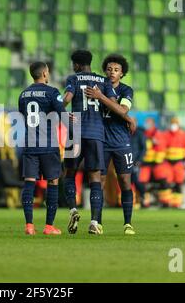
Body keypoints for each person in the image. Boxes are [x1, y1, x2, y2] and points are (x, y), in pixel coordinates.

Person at [62, 50, 117, 235]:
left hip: (75, 131)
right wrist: (100, 97)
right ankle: (94, 222)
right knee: (95, 178)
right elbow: (114, 105)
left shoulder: (73, 78)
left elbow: (67, 99)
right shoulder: (104, 81)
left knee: (69, 174)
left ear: (76, 65)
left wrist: (55, 110)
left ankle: (73, 210)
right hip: (95, 134)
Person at [85, 54, 137, 235]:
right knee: (99, 181)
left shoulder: (126, 90)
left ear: (122, 73)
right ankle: (97, 222)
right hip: (101, 140)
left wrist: (101, 97)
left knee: (124, 181)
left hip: (121, 141)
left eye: (116, 70)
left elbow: (122, 110)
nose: (112, 73)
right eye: (109, 69)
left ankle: (128, 223)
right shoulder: (97, 88)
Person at [18, 62, 68, 235]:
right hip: (48, 144)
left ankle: (29, 226)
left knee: (29, 183)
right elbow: (62, 114)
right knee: (53, 182)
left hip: (30, 144)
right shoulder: (52, 92)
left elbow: (23, 115)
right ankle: (49, 226)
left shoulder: (23, 94)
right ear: (45, 73)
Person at [139, 117, 171, 206]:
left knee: (163, 180)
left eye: (149, 123)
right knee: (142, 182)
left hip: (157, 163)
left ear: (153, 124)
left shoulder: (158, 135)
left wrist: (156, 161)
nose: (147, 125)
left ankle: (166, 202)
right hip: (145, 164)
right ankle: (145, 201)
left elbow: (161, 149)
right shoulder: (143, 134)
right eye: (146, 123)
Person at [163, 117, 185, 208]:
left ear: (178, 124)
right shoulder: (165, 135)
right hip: (167, 162)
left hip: (179, 163)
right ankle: (166, 202)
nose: (173, 125)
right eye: (172, 123)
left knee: (178, 182)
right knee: (166, 182)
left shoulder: (184, 135)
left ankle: (176, 203)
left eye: (175, 123)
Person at [130, 117, 147, 207]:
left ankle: (143, 197)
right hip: (127, 160)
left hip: (136, 161)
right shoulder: (127, 132)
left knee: (136, 180)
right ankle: (134, 201)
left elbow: (143, 148)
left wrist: (139, 160)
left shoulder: (140, 134)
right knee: (129, 182)